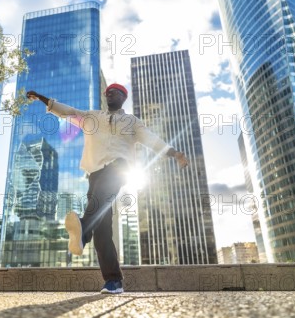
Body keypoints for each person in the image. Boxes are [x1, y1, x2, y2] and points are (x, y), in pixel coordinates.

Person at [27, 83, 188, 294]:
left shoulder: (132, 121)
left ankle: (83, 231)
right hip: (94, 172)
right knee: (102, 230)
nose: (111, 94)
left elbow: (151, 139)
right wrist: (41, 97)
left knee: (100, 198)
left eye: (117, 92)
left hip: (119, 168)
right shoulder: (91, 117)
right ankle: (114, 281)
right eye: (108, 92)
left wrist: (174, 153)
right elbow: (67, 112)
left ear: (123, 97)